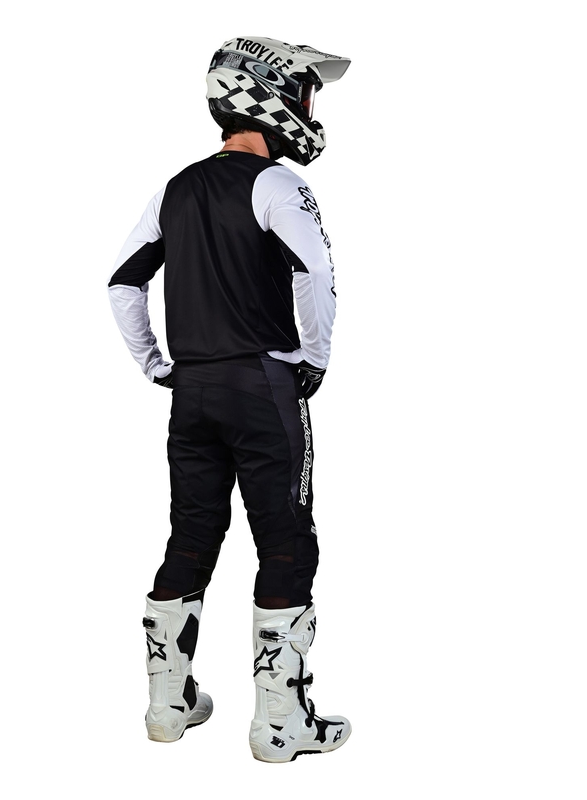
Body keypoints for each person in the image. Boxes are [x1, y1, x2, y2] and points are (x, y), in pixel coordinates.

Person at [107, 37, 351, 763]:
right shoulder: (276, 184)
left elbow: (122, 282)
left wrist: (157, 365)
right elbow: (315, 272)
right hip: (263, 388)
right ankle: (281, 725)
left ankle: (167, 706)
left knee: (190, 536)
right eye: (305, 92)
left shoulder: (174, 189)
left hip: (192, 393)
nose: (310, 108)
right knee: (285, 541)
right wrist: (315, 358)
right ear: (270, 97)